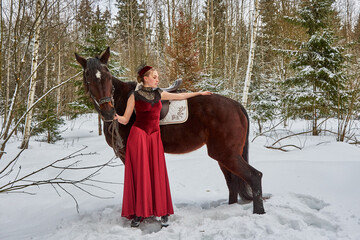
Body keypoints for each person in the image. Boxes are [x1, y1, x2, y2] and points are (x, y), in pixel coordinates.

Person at [114, 65, 211, 228]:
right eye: (155, 76)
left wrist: (199, 93)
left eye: (158, 77)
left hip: (154, 137)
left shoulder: (159, 93)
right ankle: (139, 212)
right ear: (145, 78)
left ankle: (163, 211)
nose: (158, 79)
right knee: (140, 174)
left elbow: (181, 97)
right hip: (138, 137)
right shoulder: (134, 96)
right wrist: (115, 116)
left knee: (157, 174)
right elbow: (125, 119)